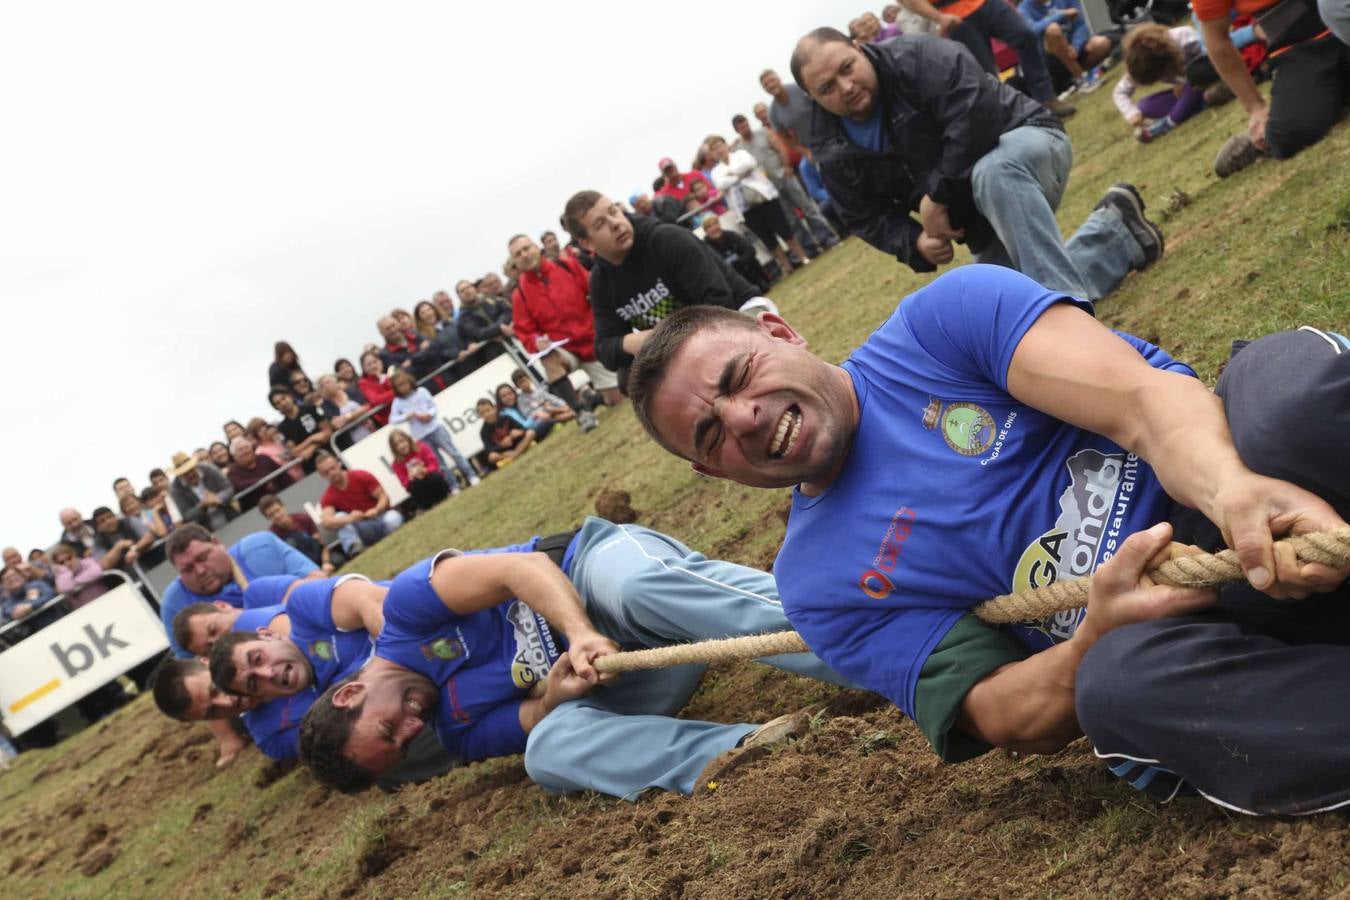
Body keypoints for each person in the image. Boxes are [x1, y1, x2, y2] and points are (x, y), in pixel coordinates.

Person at [629, 264, 1350, 816]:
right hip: (1184, 639)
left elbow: (1143, 400)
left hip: (1247, 475)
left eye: (738, 377)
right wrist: (1095, 633)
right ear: (707, 469)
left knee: (1289, 401)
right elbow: (1001, 711)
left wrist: (1232, 493)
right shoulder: (818, 583)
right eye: (711, 432)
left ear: (781, 334)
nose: (745, 418)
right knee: (1121, 689)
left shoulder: (943, 321)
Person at [296, 518, 855, 796]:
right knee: (546, 753)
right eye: (401, 746)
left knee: (641, 588)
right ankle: (739, 750)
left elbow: (523, 570)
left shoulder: (408, 610)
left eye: (390, 727)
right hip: (633, 671)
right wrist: (553, 698)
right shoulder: (456, 730)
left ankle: (866, 645)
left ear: (350, 693)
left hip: (595, 571)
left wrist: (579, 632)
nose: (413, 729)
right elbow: (532, 722)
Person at [792, 29, 1161, 302]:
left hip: (1027, 143)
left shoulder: (920, 56)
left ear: (859, 48)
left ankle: (1072, 317)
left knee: (993, 172)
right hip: (974, 213)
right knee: (1008, 303)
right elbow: (863, 215)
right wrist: (914, 241)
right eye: (827, 88)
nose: (846, 86)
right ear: (812, 97)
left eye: (847, 67)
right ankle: (1119, 231)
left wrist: (935, 197)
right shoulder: (829, 148)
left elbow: (975, 116)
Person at [560, 190, 758, 389]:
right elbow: (604, 349)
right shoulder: (600, 281)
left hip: (741, 315)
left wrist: (665, 338)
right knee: (628, 378)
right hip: (685, 342)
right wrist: (635, 341)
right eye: (600, 224)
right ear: (587, 243)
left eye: (613, 211)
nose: (615, 223)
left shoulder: (667, 239)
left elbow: (719, 301)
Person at [1199, 0, 1350, 176]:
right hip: (1298, 45)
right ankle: (1270, 130)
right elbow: (1215, 37)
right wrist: (1255, 107)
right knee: (1291, 133)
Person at [898, 0, 1078, 116]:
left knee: (1025, 35)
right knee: (985, 73)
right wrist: (939, 17)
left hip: (987, 3)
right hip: (955, 14)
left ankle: (1047, 99)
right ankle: (1010, 121)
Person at [508, 233, 622, 409]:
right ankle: (580, 412)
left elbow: (599, 292)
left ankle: (592, 398)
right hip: (563, 351)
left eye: (526, 248)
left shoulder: (568, 266)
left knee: (617, 399)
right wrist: (536, 342)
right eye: (517, 253)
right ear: (515, 262)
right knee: (548, 358)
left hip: (594, 341)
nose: (524, 254)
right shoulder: (519, 295)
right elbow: (525, 331)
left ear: (537, 248)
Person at [1114, 23, 1247, 144]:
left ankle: (1169, 122)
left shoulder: (1185, 38)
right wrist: (1132, 114)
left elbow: (1212, 57)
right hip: (1186, 92)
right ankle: (1198, 104)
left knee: (1195, 77)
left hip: (1205, 78)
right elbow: (1119, 92)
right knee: (1144, 106)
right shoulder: (1139, 65)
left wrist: (1186, 80)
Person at [705, 134, 811, 278]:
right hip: (744, 208)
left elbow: (750, 163)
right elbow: (721, 184)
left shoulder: (740, 154)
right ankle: (786, 266)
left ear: (725, 145)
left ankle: (803, 256)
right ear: (711, 154)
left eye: (719, 146)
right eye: (714, 149)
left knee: (783, 228)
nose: (718, 150)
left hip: (763, 197)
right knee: (767, 237)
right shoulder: (716, 171)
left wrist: (731, 175)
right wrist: (739, 175)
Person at [387, 369, 479, 490]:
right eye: (399, 386)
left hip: (435, 428)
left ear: (409, 381)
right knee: (438, 462)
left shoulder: (421, 391)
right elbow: (392, 419)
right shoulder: (398, 402)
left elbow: (433, 407)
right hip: (420, 436)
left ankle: (471, 475)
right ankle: (453, 485)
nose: (403, 387)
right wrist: (406, 416)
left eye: (404, 383)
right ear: (395, 388)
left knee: (453, 452)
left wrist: (429, 415)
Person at [316, 451, 404, 556]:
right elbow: (326, 521)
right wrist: (349, 519)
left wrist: (376, 509)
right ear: (322, 476)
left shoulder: (360, 475)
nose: (331, 473)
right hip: (362, 528)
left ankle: (398, 539)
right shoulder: (328, 496)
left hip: (381, 517)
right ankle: (355, 550)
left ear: (339, 464)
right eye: (326, 472)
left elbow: (383, 496)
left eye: (333, 468)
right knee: (340, 517)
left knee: (393, 518)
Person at [1018, 0, 1114, 94]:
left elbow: (1081, 26)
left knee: (1101, 43)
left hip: (1073, 52)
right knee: (1053, 30)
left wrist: (1076, 46)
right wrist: (1061, 15)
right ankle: (1081, 80)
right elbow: (1032, 30)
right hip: (1050, 63)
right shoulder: (1023, 9)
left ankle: (1090, 75)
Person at [258, 494, 333, 573]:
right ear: (267, 518)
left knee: (337, 560)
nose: (277, 516)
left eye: (277, 510)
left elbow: (321, 545)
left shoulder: (304, 518)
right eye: (271, 515)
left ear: (283, 506)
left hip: (318, 558)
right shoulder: (272, 537)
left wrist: (326, 563)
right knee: (290, 542)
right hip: (300, 570)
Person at [700, 215, 773, 293]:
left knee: (752, 261)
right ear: (706, 231)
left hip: (743, 266)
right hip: (726, 274)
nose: (714, 228)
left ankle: (762, 283)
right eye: (709, 227)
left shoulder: (731, 235)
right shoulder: (705, 247)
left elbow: (750, 250)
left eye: (715, 224)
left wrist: (741, 262)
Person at [270, 386, 332, 475]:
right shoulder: (282, 428)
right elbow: (293, 451)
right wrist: (311, 439)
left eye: (283, 398)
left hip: (331, 454)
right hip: (312, 468)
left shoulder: (310, 408)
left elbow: (327, 432)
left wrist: (312, 448)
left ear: (290, 396)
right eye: (278, 403)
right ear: (276, 407)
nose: (282, 403)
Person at [168, 452, 237, 531]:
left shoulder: (208, 469)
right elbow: (186, 515)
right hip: (203, 525)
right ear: (179, 474)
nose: (190, 475)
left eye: (191, 470)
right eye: (185, 473)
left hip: (226, 510)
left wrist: (217, 498)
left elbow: (228, 487)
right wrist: (202, 505)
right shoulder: (176, 489)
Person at [388, 430, 454, 511]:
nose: (401, 446)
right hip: (418, 485)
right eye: (396, 445)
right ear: (394, 449)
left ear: (408, 439)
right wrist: (410, 477)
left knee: (434, 477)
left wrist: (424, 470)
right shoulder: (396, 464)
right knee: (414, 486)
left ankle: (444, 496)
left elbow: (434, 464)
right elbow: (404, 483)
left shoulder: (421, 447)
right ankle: (427, 506)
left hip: (430, 477)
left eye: (402, 441)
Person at [317, 373, 373, 449]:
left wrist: (346, 417)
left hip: (372, 430)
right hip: (352, 444)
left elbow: (366, 407)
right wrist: (357, 413)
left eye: (328, 382)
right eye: (322, 386)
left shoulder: (351, 391)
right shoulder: (325, 406)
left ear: (335, 381)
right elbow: (337, 424)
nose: (326, 386)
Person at [476, 398, 536, 468]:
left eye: (488, 410)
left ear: (494, 408)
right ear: (480, 415)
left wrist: (519, 432)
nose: (486, 414)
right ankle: (520, 452)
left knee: (530, 433)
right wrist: (501, 445)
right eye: (482, 413)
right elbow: (489, 450)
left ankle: (515, 454)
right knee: (492, 457)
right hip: (505, 452)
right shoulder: (483, 431)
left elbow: (524, 428)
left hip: (518, 444)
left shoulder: (506, 418)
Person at [91, 505, 151, 572]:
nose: (108, 521)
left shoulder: (130, 521)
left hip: (151, 562)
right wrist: (119, 546)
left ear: (115, 516)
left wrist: (134, 549)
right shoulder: (98, 542)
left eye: (110, 517)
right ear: (98, 527)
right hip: (127, 576)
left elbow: (149, 537)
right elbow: (104, 565)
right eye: (102, 521)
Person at [510, 369, 576, 428]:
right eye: (520, 383)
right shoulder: (521, 400)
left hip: (552, 410)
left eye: (524, 380)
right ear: (517, 386)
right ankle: (570, 413)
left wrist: (563, 404)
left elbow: (552, 398)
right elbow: (528, 414)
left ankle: (568, 411)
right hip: (540, 418)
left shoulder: (538, 391)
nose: (524, 384)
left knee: (552, 407)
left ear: (529, 378)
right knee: (548, 411)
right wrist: (543, 408)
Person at [52, 543, 110, 608]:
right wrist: (86, 578)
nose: (67, 563)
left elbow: (97, 572)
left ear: (74, 554)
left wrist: (74, 581)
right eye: (61, 562)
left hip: (106, 601)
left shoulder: (87, 562)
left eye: (69, 558)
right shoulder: (60, 576)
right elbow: (65, 587)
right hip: (85, 611)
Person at [355, 351, 395, 427]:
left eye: (375, 362)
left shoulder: (388, 374)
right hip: (388, 419)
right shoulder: (363, 382)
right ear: (363, 368)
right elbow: (375, 400)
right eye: (369, 364)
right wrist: (396, 392)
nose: (373, 366)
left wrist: (383, 378)